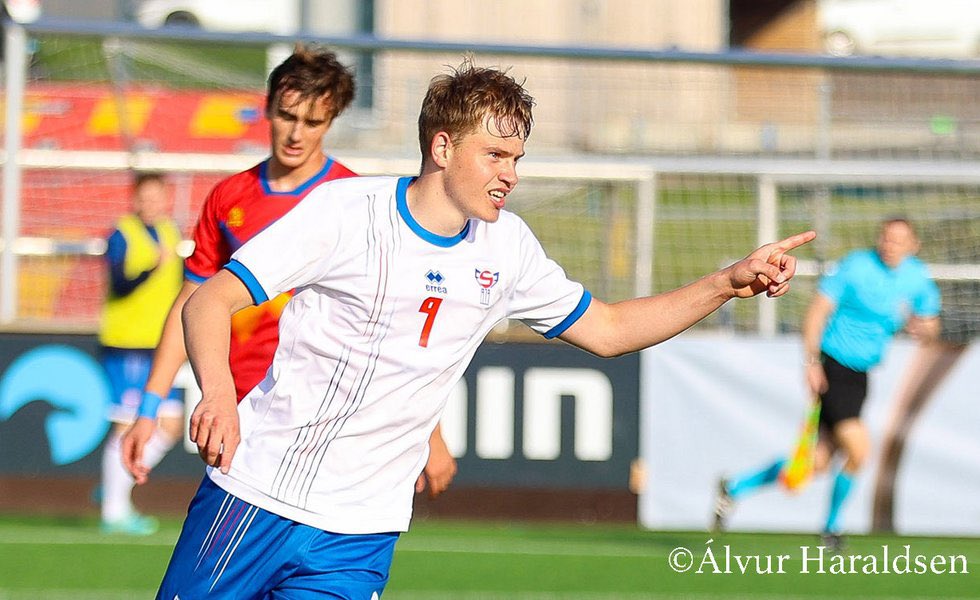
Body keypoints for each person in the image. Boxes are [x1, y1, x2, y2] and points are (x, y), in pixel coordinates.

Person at [159, 58, 814, 599]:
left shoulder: (508, 250)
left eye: (517, 158)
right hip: (252, 499)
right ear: (443, 147)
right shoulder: (343, 212)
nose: (511, 174)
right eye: (496, 155)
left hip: (359, 534)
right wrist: (217, 393)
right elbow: (208, 300)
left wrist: (726, 282)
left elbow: (610, 330)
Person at [120, 44, 458, 500]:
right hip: (243, 416)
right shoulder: (229, 198)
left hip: (332, 418)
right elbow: (190, 303)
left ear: (332, 120)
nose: (296, 133)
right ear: (268, 110)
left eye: (313, 122)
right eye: (287, 116)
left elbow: (391, 323)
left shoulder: (360, 201)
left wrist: (429, 434)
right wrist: (148, 408)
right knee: (222, 563)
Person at [713, 217, 941, 551]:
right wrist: (811, 362)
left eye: (898, 241)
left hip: (861, 375)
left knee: (815, 464)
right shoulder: (855, 267)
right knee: (860, 450)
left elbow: (931, 325)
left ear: (913, 245)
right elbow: (817, 312)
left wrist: (924, 329)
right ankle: (831, 529)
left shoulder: (917, 278)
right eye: (886, 238)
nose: (889, 245)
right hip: (834, 367)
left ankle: (735, 487)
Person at [97, 171, 183, 535]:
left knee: (172, 424)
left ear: (166, 199)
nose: (150, 204)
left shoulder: (171, 233)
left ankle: (117, 482)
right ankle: (113, 508)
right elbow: (118, 283)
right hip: (128, 343)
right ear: (134, 199)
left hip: (165, 344)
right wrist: (152, 268)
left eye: (156, 197)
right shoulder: (122, 234)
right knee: (126, 424)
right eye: (143, 197)